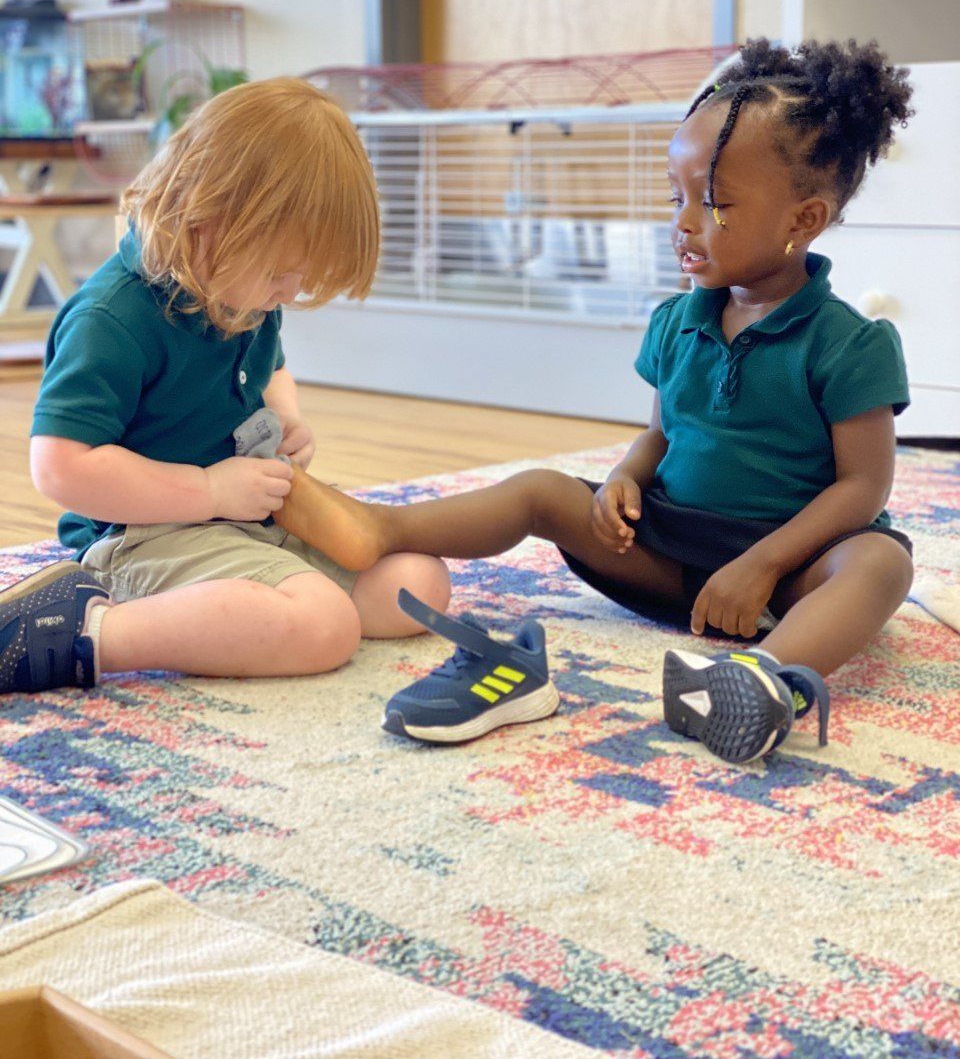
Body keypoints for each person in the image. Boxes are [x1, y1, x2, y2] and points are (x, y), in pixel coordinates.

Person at [265, 40, 917, 760]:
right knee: (542, 491)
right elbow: (660, 437)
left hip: (789, 574)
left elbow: (864, 487)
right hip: (671, 557)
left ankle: (761, 679)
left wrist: (763, 565)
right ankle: (382, 529)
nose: (684, 221)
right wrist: (624, 480)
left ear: (803, 220)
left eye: (715, 203)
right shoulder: (678, 321)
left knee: (880, 565)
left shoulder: (851, 343)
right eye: (677, 198)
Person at [0, 78, 450, 696]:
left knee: (416, 585)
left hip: (248, 510)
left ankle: (245, 606)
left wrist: (284, 415)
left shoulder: (241, 292)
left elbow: (273, 368)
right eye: (280, 274)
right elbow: (60, 467)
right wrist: (206, 489)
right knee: (323, 624)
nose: (290, 294)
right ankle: (83, 632)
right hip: (143, 533)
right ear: (207, 223)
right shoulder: (112, 320)